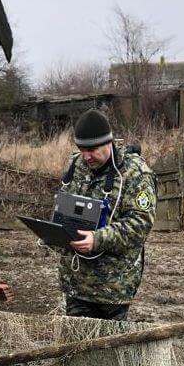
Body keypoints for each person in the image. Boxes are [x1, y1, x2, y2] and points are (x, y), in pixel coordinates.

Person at [57, 108, 157, 321]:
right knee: (75, 347)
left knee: (108, 349)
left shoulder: (135, 173)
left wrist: (98, 239)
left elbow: (140, 224)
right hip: (76, 283)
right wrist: (54, 232)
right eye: (81, 149)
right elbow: (64, 205)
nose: (86, 156)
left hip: (113, 287)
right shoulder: (76, 165)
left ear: (108, 142)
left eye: (92, 150)